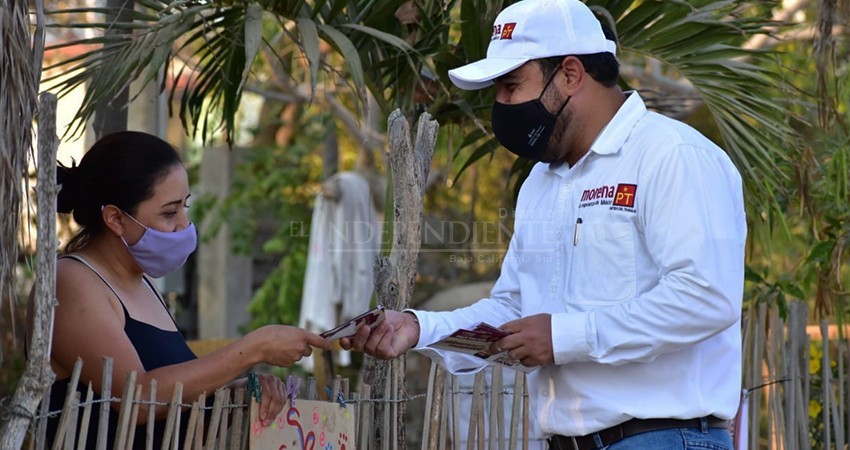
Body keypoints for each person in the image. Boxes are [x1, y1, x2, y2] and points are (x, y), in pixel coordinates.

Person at [343, 1, 747, 449]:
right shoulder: (541, 182)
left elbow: (706, 297)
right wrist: (420, 328)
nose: (501, 105)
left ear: (571, 74)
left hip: (663, 437)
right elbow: (514, 311)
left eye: (512, 86)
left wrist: (563, 337)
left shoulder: (671, 155)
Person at [29, 131, 330, 449]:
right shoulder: (71, 281)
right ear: (116, 218)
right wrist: (253, 349)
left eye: (184, 207)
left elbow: (169, 417)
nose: (185, 224)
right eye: (170, 212)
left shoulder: (142, 283)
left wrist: (236, 395)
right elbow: (137, 399)